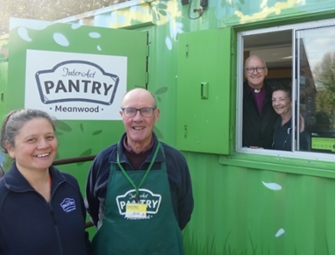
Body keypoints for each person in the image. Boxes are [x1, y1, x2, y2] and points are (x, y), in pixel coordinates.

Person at [85, 88, 194, 255]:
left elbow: (184, 211)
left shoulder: (175, 161)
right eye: (130, 111)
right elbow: (93, 209)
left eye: (145, 111)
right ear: (122, 115)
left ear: (156, 115)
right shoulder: (103, 161)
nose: (137, 118)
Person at [0, 109, 91, 255]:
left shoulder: (69, 184)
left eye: (49, 137)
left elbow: (81, 239)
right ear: (11, 148)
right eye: (31, 139)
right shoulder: (2, 197)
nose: (43, 145)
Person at [243, 55, 279, 149]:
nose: (255, 73)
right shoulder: (237, 95)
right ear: (245, 73)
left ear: (266, 71)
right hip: (243, 153)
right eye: (250, 69)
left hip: (269, 153)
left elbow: (285, 114)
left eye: (259, 68)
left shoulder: (274, 95)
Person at [272, 85, 308, 151]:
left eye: (282, 99)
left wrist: (301, 134)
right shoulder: (276, 122)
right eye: (274, 100)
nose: (277, 103)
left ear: (291, 102)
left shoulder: (299, 122)